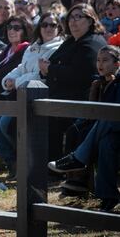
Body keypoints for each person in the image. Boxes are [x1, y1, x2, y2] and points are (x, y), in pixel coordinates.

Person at [48, 45, 120, 213]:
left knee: (108, 118)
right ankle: (108, 197)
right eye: (98, 60)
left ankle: (78, 158)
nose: (100, 64)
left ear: (117, 64)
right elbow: (94, 110)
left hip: (114, 124)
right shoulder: (99, 83)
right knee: (105, 143)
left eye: (105, 60)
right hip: (111, 132)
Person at [40, 4, 107, 160]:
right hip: (61, 95)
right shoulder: (71, 41)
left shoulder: (92, 43)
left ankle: (56, 166)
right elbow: (52, 62)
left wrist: (51, 69)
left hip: (81, 100)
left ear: (90, 21)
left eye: (79, 17)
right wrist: (49, 68)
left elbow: (79, 74)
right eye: (71, 17)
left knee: (49, 118)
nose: (73, 21)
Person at [0, 16, 34, 176]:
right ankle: (11, 163)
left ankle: (23, 160)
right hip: (1, 98)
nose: (11, 31)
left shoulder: (26, 50)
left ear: (25, 31)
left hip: (16, 98)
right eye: (9, 27)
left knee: (3, 124)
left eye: (16, 28)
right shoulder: (7, 49)